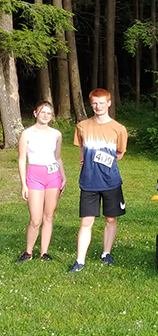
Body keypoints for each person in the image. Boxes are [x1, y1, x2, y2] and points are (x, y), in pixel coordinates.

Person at [68, 89, 129, 272]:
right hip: (88, 182)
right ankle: (80, 261)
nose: (98, 106)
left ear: (109, 103)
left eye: (102, 103)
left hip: (111, 182)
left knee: (111, 219)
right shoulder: (82, 126)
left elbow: (120, 153)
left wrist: (105, 161)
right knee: (86, 222)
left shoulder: (119, 129)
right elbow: (81, 150)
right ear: (90, 103)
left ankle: (106, 253)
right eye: (95, 103)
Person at [15, 101, 66, 263]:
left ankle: (44, 252)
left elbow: (58, 157)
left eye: (49, 113)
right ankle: (28, 252)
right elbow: (22, 159)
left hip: (53, 176)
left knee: (48, 216)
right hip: (34, 177)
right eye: (42, 112)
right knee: (35, 219)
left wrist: (63, 176)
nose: (45, 115)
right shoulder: (27, 134)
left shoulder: (56, 134)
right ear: (35, 113)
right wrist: (24, 184)